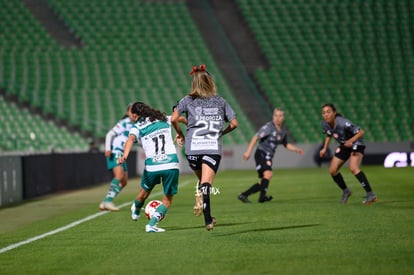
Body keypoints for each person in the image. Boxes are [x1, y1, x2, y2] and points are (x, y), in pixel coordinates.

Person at [171, 64, 238, 231]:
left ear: (194, 83)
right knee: (206, 183)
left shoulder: (187, 100)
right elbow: (235, 124)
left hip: (192, 149)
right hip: (211, 148)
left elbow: (173, 119)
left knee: (202, 181)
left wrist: (180, 134)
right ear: (210, 82)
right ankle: (208, 219)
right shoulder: (220, 101)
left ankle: (201, 196)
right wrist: (222, 133)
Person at [118, 102, 180, 233]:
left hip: (152, 166)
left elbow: (129, 140)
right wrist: (180, 133)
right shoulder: (164, 118)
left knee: (143, 193)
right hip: (170, 163)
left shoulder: (137, 126)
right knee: (167, 199)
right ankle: (151, 225)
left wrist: (124, 156)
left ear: (135, 115)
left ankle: (136, 208)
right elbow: (178, 118)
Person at [238, 108, 304, 203]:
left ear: (283, 117)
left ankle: (248, 196)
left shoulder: (283, 130)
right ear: (273, 116)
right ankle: (256, 197)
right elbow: (255, 137)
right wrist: (248, 152)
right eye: (275, 115)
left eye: (280, 115)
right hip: (261, 153)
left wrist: (296, 149)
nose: (277, 118)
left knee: (264, 180)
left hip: (269, 156)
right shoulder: (269, 127)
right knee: (268, 174)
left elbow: (285, 144)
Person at [319, 103, 378, 205]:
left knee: (353, 168)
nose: (326, 115)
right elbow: (329, 134)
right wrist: (324, 148)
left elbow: (360, 132)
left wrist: (351, 141)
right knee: (333, 170)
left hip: (356, 142)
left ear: (334, 113)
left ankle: (370, 194)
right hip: (344, 145)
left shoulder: (343, 122)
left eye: (328, 112)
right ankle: (346, 191)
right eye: (324, 113)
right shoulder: (324, 123)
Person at [99, 104, 138, 211]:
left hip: (122, 154)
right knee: (119, 175)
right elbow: (110, 134)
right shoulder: (124, 123)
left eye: (135, 112)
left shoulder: (136, 125)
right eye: (131, 111)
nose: (134, 114)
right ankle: (108, 201)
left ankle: (105, 201)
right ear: (127, 113)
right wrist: (107, 148)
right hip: (116, 152)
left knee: (124, 181)